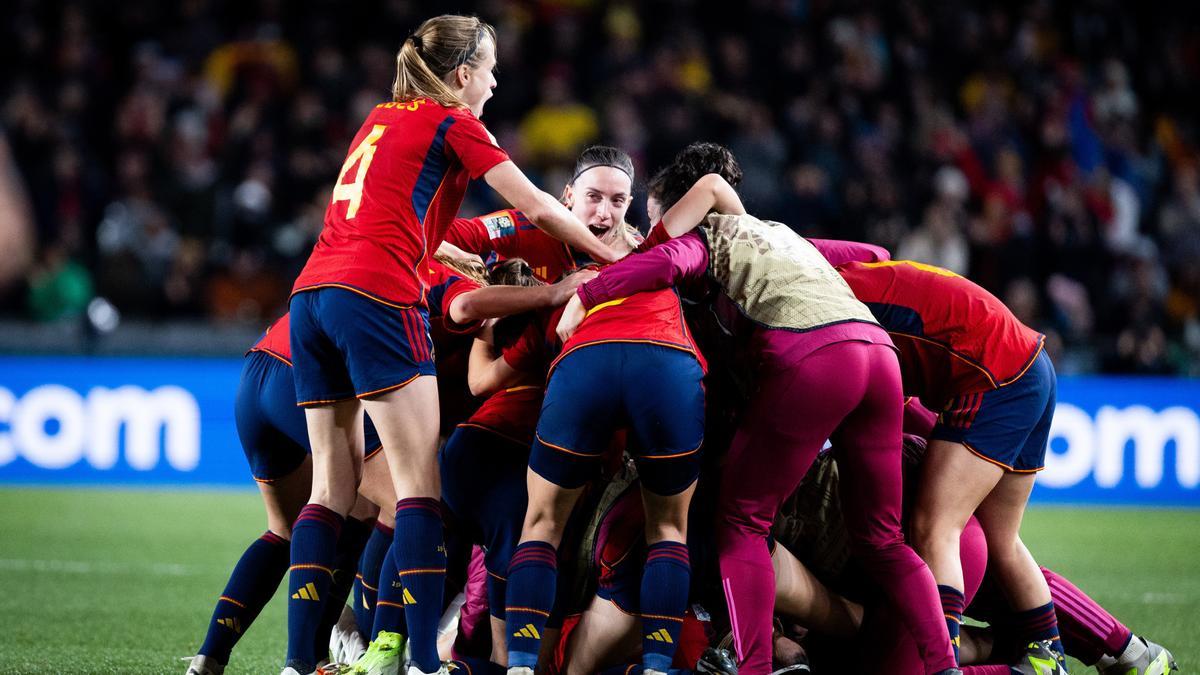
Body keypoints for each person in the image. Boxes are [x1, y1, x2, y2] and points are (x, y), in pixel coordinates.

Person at [282, 14, 618, 675]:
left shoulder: (380, 117)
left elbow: (407, 224)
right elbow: (543, 208)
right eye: (489, 69)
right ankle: (424, 668)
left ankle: (298, 662)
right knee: (418, 492)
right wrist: (612, 257)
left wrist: (472, 267)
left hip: (311, 294)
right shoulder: (454, 123)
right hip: (376, 297)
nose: (494, 82)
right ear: (463, 74)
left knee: (328, 489)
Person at [559, 142, 958, 675]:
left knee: (741, 523)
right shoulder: (783, 234)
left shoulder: (704, 239)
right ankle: (945, 666)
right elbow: (872, 253)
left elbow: (664, 261)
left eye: (658, 219)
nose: (654, 232)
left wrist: (586, 296)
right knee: (882, 539)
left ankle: (754, 667)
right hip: (877, 355)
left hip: (813, 357)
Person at [814, 242, 1070, 669]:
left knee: (934, 527)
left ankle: (942, 661)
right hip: (1031, 365)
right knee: (1001, 538)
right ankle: (1049, 657)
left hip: (991, 376)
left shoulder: (826, 309)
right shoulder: (856, 275)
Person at [500, 215, 701, 674]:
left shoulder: (573, 283)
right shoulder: (659, 257)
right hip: (667, 361)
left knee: (543, 523)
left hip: (586, 362)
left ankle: (521, 665)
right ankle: (655, 665)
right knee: (669, 529)